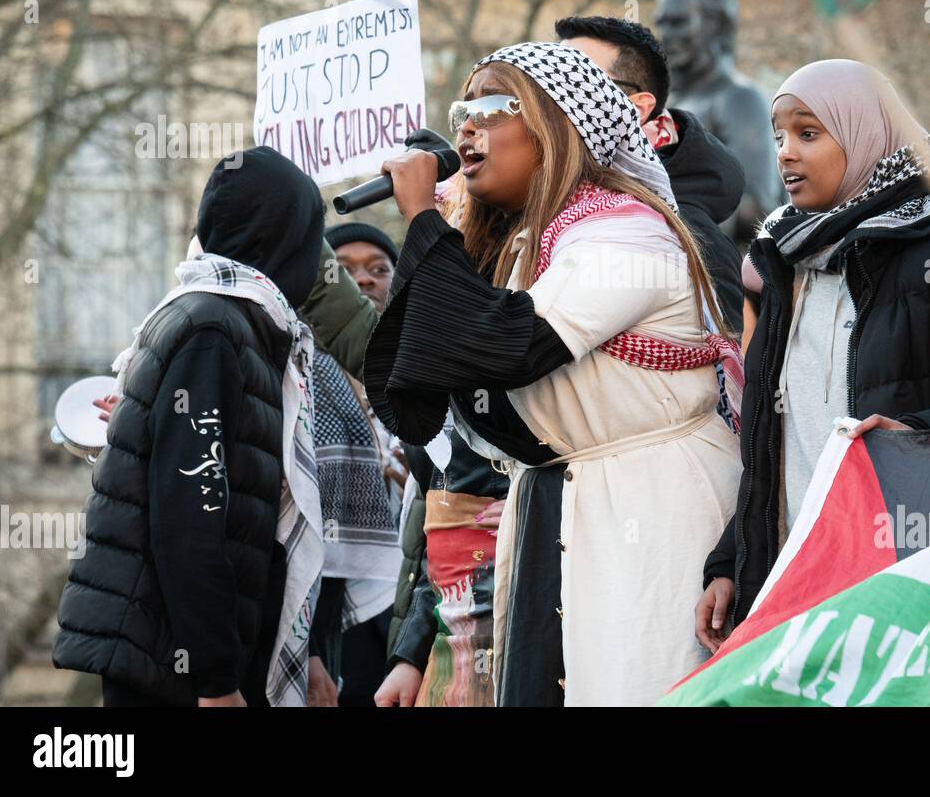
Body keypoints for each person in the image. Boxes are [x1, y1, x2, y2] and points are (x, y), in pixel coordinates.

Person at [301, 42, 742, 706]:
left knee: (640, 683)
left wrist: (424, 217)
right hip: (564, 499)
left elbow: (507, 342)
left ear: (560, 124)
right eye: (463, 109)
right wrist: (447, 223)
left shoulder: (626, 233)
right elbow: (435, 359)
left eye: (493, 107)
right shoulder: (537, 243)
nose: (467, 126)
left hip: (651, 503)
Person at [696, 61, 930, 651]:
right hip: (789, 573)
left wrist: (909, 438)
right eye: (779, 136)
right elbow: (774, 440)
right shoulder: (786, 257)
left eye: (808, 133)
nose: (785, 154)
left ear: (864, 135)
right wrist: (731, 561)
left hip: (897, 566)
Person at [53, 147, 325, 707]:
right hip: (171, 670)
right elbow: (189, 518)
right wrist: (216, 681)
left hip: (180, 656)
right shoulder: (215, 328)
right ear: (284, 235)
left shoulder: (230, 322)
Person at [555, 14, 746, 330]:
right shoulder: (544, 202)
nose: (552, 98)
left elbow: (726, 368)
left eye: (576, 84)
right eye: (546, 82)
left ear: (637, 108)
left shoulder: (687, 237)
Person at [307, 223, 414, 707]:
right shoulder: (298, 374)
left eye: (378, 269)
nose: (364, 280)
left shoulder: (420, 381)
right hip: (328, 614)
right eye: (343, 270)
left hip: (407, 612)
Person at [654, 0, 783, 234]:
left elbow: (758, 207)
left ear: (717, 24)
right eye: (662, 23)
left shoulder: (739, 98)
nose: (666, 34)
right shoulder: (666, 102)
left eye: (678, 22)